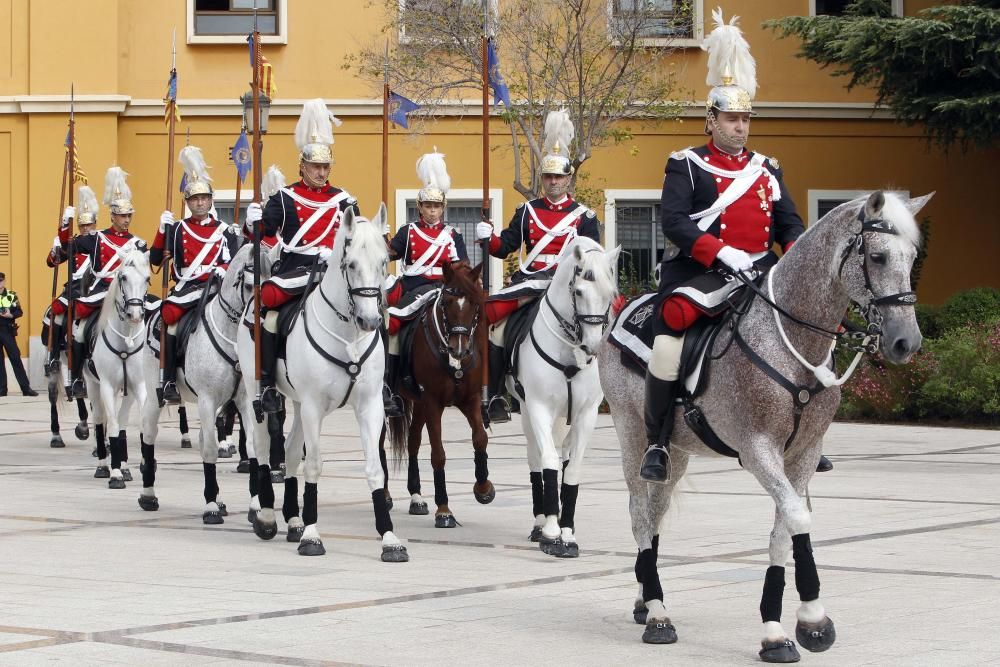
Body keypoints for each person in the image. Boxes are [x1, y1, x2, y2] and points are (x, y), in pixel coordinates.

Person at [638, 12, 833, 482]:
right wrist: (718, 251)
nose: (741, 127)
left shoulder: (767, 168)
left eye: (746, 118)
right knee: (670, 334)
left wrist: (800, 265)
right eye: (732, 118)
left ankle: (809, 436)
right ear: (712, 120)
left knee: (815, 330)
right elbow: (674, 220)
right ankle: (659, 440)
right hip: (701, 271)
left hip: (761, 272)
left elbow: (788, 224)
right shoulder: (685, 164)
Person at [475, 109, 601, 423]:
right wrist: (487, 238)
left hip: (568, 287)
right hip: (531, 282)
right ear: (542, 179)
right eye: (548, 176)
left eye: (559, 176)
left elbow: (592, 260)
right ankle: (497, 395)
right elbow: (504, 248)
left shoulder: (584, 217)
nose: (553, 182)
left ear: (569, 178)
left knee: (599, 322)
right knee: (495, 325)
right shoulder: (527, 211)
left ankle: (599, 387)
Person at [244, 99, 359, 414]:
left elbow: (356, 239)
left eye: (325, 167)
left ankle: (380, 380)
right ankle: (268, 382)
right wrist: (250, 220)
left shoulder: (344, 200)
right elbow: (258, 235)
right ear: (302, 167)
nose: (321, 173)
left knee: (371, 305)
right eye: (315, 167)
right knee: (268, 310)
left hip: (333, 273)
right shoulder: (284, 198)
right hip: (296, 271)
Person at [151, 148, 242, 404]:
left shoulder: (225, 231)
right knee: (168, 320)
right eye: (194, 199)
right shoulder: (177, 229)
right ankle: (168, 378)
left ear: (211, 200)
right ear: (187, 203)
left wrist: (221, 270)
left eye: (204, 198)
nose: (200, 203)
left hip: (217, 290)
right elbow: (155, 260)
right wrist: (161, 231)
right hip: (187, 290)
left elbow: (234, 262)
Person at [384, 150, 469, 415]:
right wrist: (380, 239)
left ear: (443, 208)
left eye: (436, 206)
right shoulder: (408, 232)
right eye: (428, 206)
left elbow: (462, 266)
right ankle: (391, 385)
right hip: (414, 288)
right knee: (393, 325)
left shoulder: (452, 235)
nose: (432, 211)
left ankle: (476, 385)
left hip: (443, 290)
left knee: (470, 323)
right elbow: (390, 253)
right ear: (419, 207)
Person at [63, 181, 148, 398]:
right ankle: (76, 378)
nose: (126, 219)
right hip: (101, 292)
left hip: (130, 294)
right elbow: (67, 249)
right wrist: (65, 225)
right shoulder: (96, 238)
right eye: (122, 215)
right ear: (112, 216)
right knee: (80, 329)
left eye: (129, 215)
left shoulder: (138, 244)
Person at [44, 190, 98, 379]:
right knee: (55, 312)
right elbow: (53, 262)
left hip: (94, 287)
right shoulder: (73, 243)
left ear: (95, 224)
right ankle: (53, 355)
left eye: (88, 225)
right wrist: (57, 246)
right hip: (74, 288)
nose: (85, 228)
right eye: (82, 225)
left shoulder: (100, 242)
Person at [0, 272, 37, 397]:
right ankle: (2, 389)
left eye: (1, 281)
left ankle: (26, 388)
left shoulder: (11, 295)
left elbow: (19, 311)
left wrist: (10, 314)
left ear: (4, 281)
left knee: (15, 358)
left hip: (7, 329)